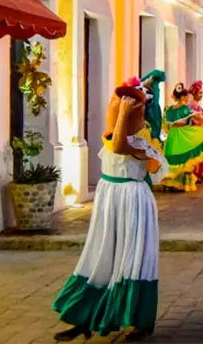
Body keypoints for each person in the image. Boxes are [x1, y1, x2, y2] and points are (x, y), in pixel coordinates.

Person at [53, 85, 168, 342]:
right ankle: (85, 317)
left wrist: (126, 112)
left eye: (123, 102)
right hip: (110, 198)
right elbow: (113, 140)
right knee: (99, 257)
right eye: (117, 101)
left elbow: (118, 147)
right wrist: (122, 112)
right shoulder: (111, 132)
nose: (114, 105)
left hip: (133, 201)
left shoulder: (141, 139)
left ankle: (139, 321)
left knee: (133, 261)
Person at [159, 83, 203, 191]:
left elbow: (164, 125)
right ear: (181, 97)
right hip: (183, 135)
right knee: (184, 160)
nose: (187, 98)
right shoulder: (185, 109)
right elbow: (202, 120)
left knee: (172, 159)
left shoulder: (169, 110)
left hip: (172, 136)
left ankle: (170, 183)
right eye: (186, 96)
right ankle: (181, 184)